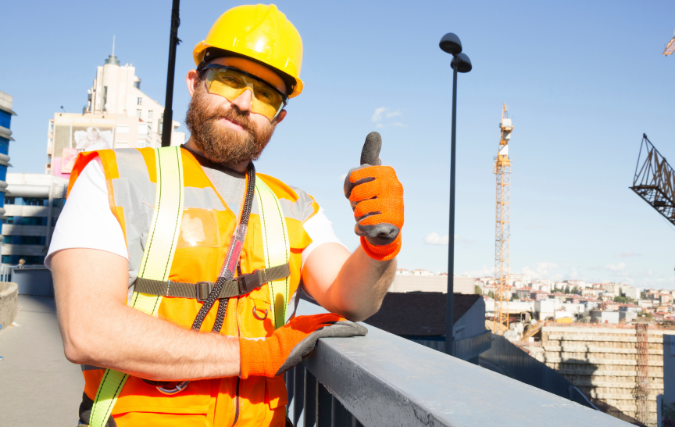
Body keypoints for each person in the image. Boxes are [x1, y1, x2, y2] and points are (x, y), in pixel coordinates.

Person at [48, 4, 404, 427]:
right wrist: (259, 354)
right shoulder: (112, 177)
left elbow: (355, 299)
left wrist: (380, 243)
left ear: (279, 117)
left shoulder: (294, 206)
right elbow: (87, 330)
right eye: (230, 79)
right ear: (194, 81)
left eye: (267, 94)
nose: (244, 101)